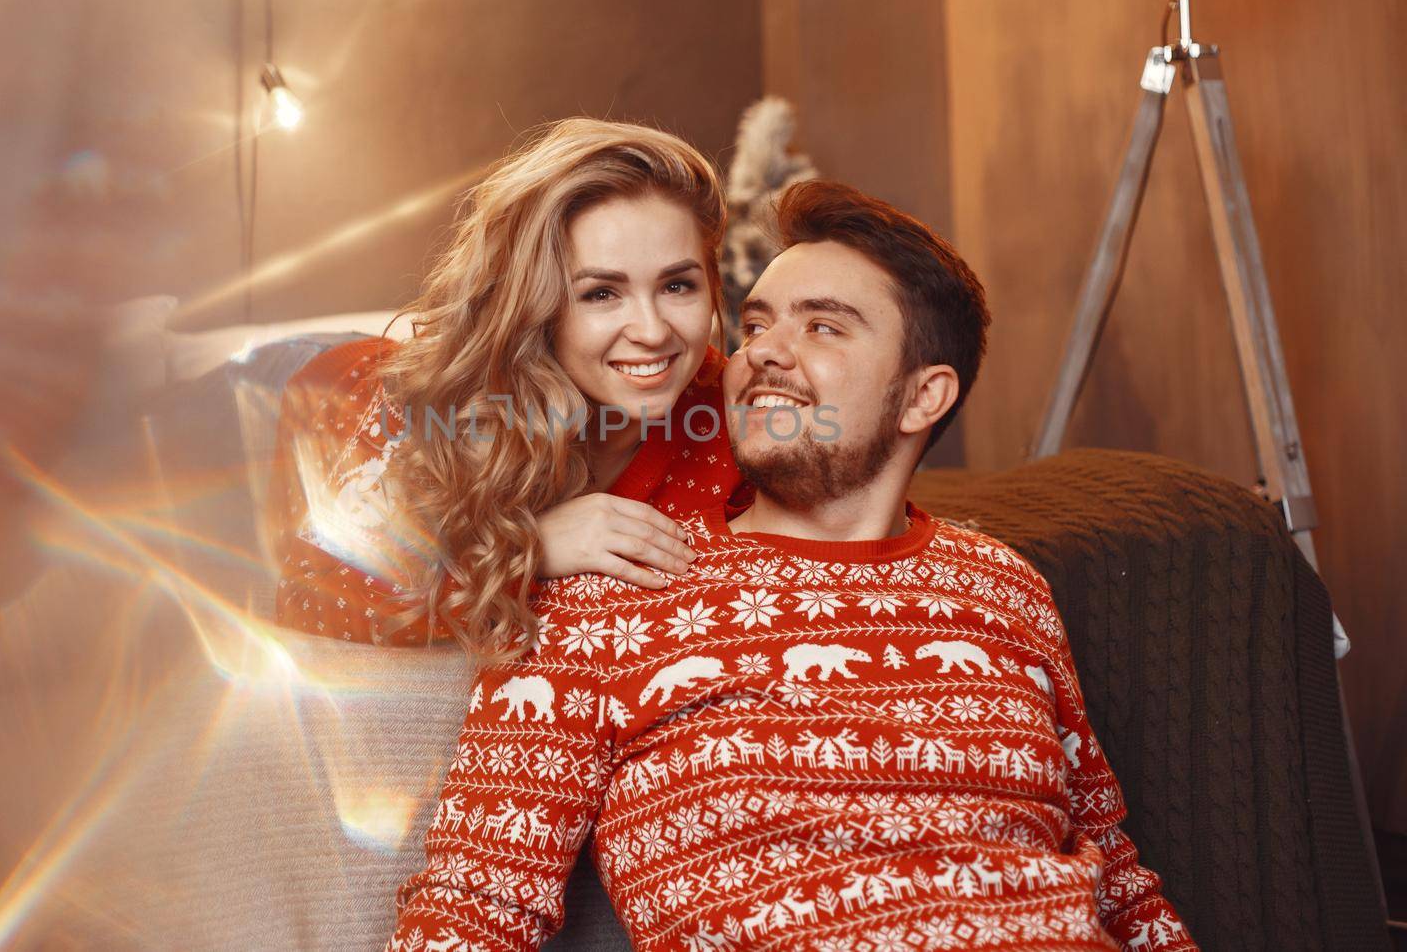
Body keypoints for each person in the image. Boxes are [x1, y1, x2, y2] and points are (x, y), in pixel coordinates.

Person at [389, 180, 1196, 950]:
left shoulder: (1005, 584)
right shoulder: (612, 593)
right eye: (756, 324)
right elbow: (474, 905)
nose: (763, 353)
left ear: (923, 396)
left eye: (823, 326)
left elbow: (1118, 882)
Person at [265, 119, 748, 659]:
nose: (654, 331)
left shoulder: (736, 412)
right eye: (601, 294)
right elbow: (308, 600)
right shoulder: (428, 410)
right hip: (333, 387)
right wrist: (527, 549)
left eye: (677, 285)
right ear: (534, 305)